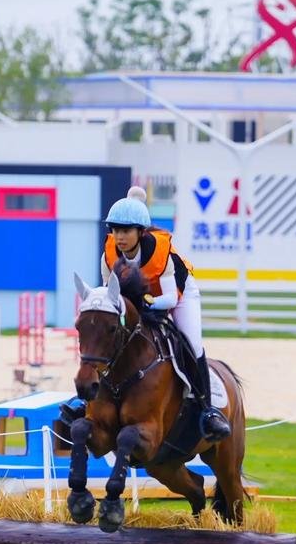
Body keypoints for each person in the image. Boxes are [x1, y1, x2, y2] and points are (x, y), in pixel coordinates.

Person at [99, 186, 231, 442]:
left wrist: (146, 303)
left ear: (140, 232)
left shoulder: (161, 253)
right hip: (143, 301)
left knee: (191, 343)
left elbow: (170, 298)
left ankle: (208, 411)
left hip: (179, 296)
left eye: (125, 231)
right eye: (115, 230)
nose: (120, 237)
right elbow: (110, 294)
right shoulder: (109, 254)